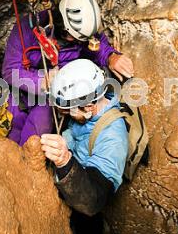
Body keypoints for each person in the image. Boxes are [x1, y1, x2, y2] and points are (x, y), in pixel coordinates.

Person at [1, 0, 134, 146]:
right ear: (62, 27)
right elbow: (10, 70)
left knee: (34, 140)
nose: (78, 42)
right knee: (9, 141)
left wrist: (111, 56)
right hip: (22, 95)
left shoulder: (83, 33)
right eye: (75, 38)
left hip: (51, 102)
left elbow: (97, 45)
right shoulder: (27, 28)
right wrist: (44, 81)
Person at [40, 59, 128, 216]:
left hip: (85, 199)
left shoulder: (113, 138)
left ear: (88, 106)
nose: (63, 114)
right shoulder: (88, 108)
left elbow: (93, 201)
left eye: (67, 111)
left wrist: (64, 161)